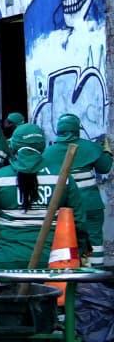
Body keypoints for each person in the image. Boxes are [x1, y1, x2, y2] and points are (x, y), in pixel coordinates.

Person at [0, 123, 84, 268]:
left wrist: (5, 234)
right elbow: (78, 221)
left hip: (9, 257)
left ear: (14, 145)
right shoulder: (62, 177)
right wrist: (82, 247)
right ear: (42, 145)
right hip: (54, 258)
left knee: (10, 291)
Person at [43, 114, 112, 268]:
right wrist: (106, 151)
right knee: (95, 240)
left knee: (65, 239)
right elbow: (105, 167)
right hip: (91, 204)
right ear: (77, 130)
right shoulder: (90, 147)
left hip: (64, 206)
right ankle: (96, 277)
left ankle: (69, 273)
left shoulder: (48, 153)